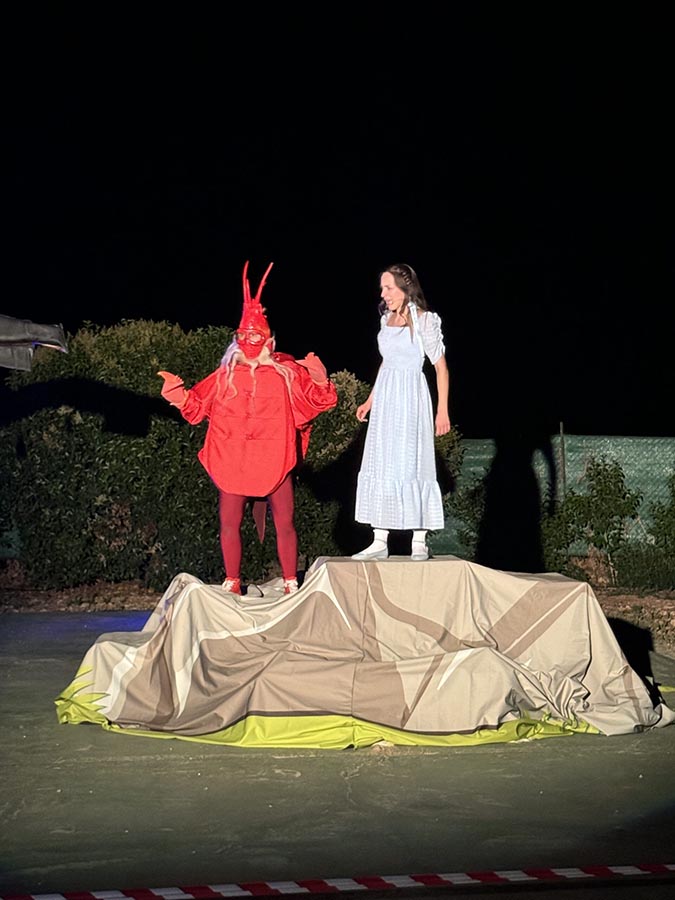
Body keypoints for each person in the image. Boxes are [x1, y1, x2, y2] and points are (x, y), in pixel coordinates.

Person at [157, 261, 338, 596]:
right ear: (236, 339)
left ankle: (290, 580)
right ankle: (233, 580)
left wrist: (319, 379)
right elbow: (197, 407)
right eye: (243, 335)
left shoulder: (286, 373)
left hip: (274, 456)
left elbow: (317, 402)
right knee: (229, 522)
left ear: (268, 339)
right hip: (233, 458)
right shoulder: (224, 375)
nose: (249, 340)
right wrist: (178, 396)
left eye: (256, 335)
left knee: (285, 521)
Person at [352, 263, 450, 561]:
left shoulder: (425, 321)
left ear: (406, 288)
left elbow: (441, 368)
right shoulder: (386, 319)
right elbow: (387, 362)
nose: (384, 294)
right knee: (382, 461)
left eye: (389, 288)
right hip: (387, 400)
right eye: (382, 288)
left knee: (413, 462)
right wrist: (371, 400)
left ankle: (419, 540)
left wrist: (442, 411)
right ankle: (379, 539)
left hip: (411, 398)